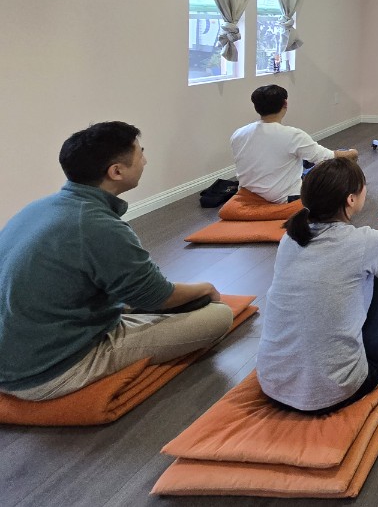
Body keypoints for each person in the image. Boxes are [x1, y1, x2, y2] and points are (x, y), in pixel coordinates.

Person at [0, 122, 234, 401]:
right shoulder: (98, 225)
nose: (145, 161)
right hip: (45, 372)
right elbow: (158, 297)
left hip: (18, 352)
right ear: (116, 171)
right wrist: (205, 288)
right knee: (219, 316)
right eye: (140, 153)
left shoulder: (38, 208)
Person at [257, 157, 378, 413]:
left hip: (272, 383)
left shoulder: (289, 238)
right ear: (351, 199)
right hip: (336, 391)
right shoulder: (364, 241)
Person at [230, 84, 357, 203]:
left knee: (302, 158)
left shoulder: (238, 133)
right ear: (285, 104)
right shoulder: (293, 135)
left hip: (249, 192)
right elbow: (327, 157)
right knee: (341, 157)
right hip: (285, 198)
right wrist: (352, 153)